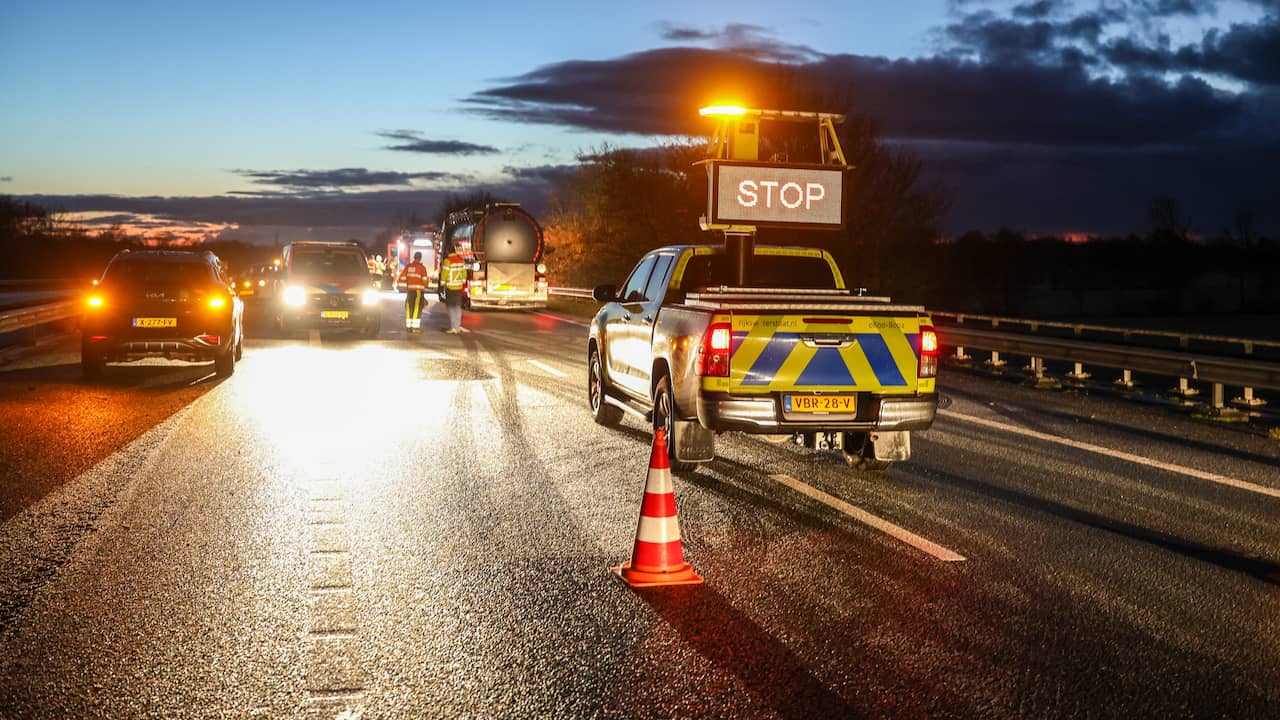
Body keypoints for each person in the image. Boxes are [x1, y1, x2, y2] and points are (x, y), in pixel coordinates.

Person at [397, 251, 429, 333]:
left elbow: (402, 278)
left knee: (409, 307)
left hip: (410, 290)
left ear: (414, 257)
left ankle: (408, 326)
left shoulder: (408, 267)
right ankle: (415, 328)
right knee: (417, 308)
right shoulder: (422, 268)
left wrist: (409, 282)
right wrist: (425, 284)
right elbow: (425, 281)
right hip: (418, 291)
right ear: (420, 258)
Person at [440, 249, 467, 334]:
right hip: (458, 287)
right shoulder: (461, 260)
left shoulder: (448, 261)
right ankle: (457, 326)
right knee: (457, 307)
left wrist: (442, 283)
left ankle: (453, 327)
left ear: (448, 252)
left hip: (450, 287)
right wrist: (462, 281)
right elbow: (464, 272)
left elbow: (445, 273)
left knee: (450, 307)